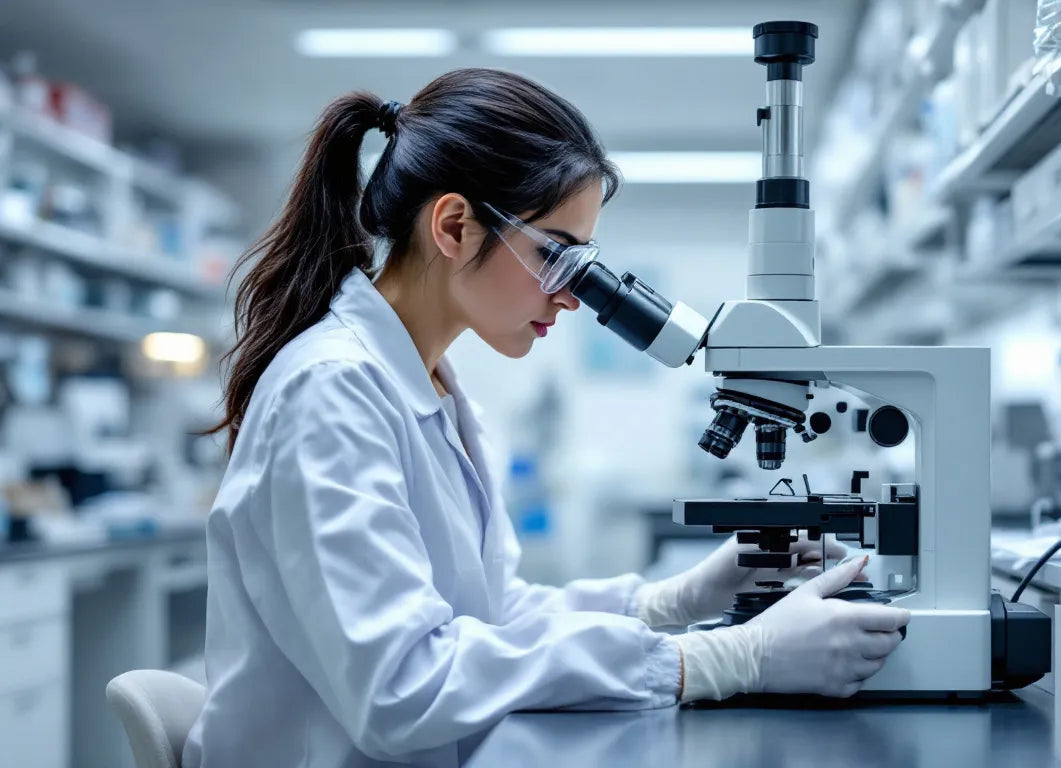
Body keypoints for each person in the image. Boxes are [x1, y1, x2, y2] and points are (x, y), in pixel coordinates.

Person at [184, 68, 910, 768]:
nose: (572, 297)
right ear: (455, 225)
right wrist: (718, 660)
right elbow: (403, 685)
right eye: (556, 256)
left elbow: (494, 617)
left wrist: (675, 601)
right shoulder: (332, 393)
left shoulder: (430, 387)